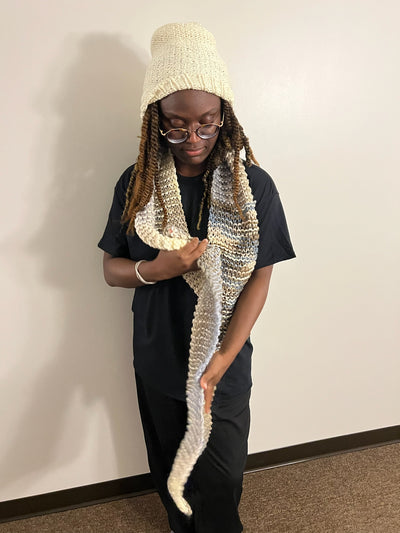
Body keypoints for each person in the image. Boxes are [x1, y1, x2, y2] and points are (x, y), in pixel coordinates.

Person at [98, 22, 295, 533]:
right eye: (176, 124)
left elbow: (260, 275)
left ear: (224, 116)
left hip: (223, 360)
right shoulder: (137, 183)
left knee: (223, 478)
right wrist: (157, 269)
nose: (193, 138)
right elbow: (111, 270)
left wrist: (222, 361)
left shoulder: (252, 186)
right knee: (169, 470)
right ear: (154, 119)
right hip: (157, 356)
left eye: (207, 122)